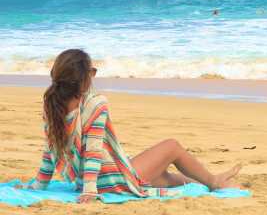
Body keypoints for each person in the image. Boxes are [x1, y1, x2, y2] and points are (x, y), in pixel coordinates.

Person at [17, 49, 241, 203]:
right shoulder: (95, 103)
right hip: (107, 181)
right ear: (83, 77)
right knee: (172, 146)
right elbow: (94, 150)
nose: (94, 77)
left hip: (86, 179)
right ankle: (214, 180)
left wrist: (38, 186)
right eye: (92, 72)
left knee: (164, 177)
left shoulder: (51, 104)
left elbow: (50, 152)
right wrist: (90, 190)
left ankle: (205, 185)